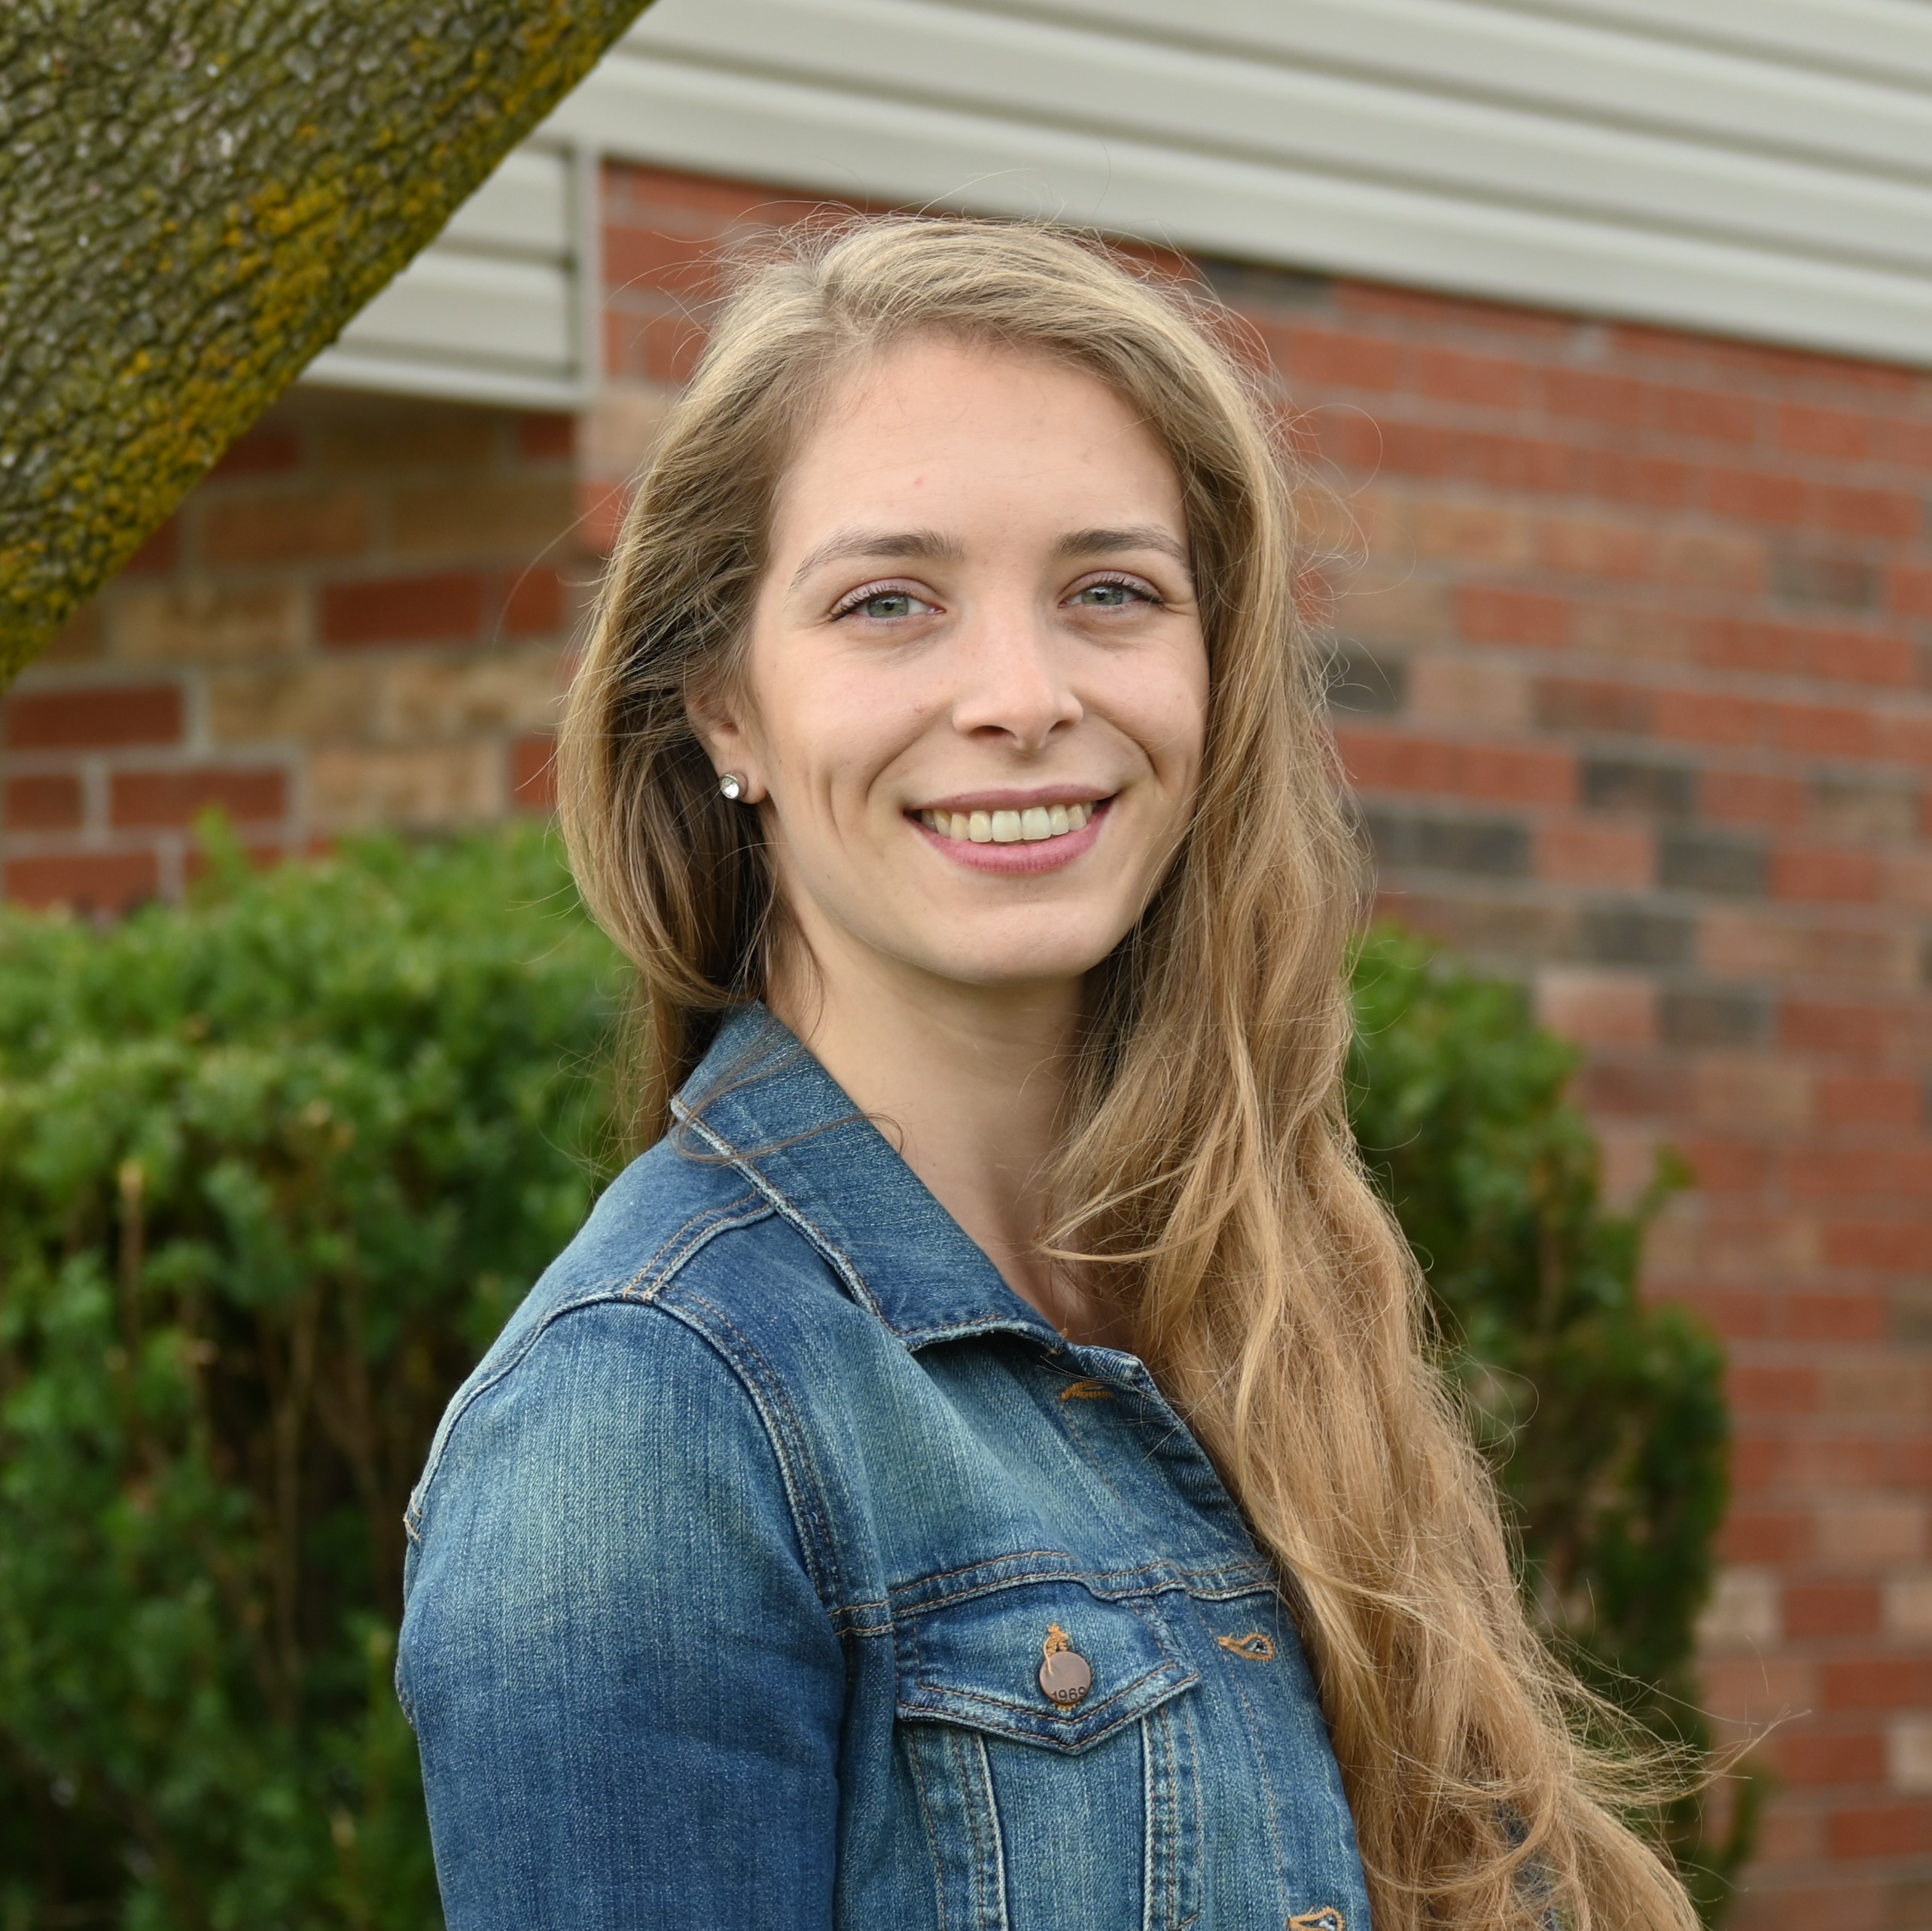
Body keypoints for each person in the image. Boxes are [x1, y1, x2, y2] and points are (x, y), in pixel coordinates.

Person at [397, 217, 1699, 1931]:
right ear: (721, 704)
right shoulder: (644, 1426)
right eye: (887, 602)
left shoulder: (1262, 1291)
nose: (1021, 697)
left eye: (1109, 592)